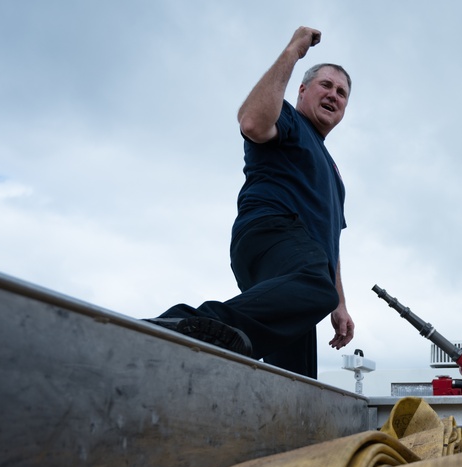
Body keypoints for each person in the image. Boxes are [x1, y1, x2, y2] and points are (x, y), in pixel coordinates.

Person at [147, 26, 354, 378]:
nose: (334, 95)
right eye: (325, 85)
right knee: (315, 287)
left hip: (302, 266)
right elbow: (253, 122)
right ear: (302, 90)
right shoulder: (289, 119)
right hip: (272, 232)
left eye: (342, 92)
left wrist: (340, 304)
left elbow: (330, 242)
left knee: (295, 377)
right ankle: (185, 324)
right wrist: (292, 52)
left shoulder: (334, 175)